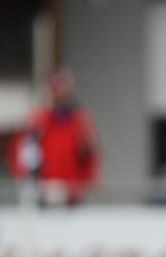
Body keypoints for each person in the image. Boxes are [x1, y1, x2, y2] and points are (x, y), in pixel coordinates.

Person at [10, 68, 100, 206]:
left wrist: (83, 187)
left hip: (72, 196)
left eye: (65, 91)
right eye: (57, 91)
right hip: (44, 194)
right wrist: (30, 186)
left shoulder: (81, 121)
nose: (61, 96)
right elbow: (24, 155)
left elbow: (90, 157)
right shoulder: (38, 119)